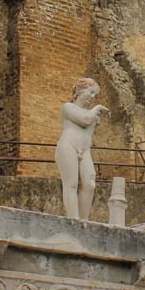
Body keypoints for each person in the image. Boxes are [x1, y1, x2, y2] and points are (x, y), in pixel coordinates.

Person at [55, 78, 108, 220]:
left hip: (85, 150)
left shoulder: (92, 114)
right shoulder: (68, 107)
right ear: (79, 91)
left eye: (95, 94)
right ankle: (74, 219)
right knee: (71, 184)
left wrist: (94, 114)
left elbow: (88, 130)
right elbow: (84, 120)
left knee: (90, 184)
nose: (93, 97)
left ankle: (83, 221)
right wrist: (97, 108)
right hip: (68, 146)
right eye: (91, 92)